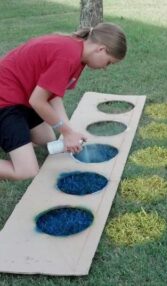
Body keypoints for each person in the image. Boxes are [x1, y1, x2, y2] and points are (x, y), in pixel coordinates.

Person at [0, 22, 127, 180]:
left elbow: (53, 96)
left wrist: (69, 131)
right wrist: (66, 132)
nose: (105, 68)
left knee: (47, 140)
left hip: (21, 97)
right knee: (27, 171)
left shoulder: (78, 54)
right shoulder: (68, 57)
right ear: (100, 49)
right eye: (109, 62)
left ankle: (15, 141)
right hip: (5, 102)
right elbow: (38, 101)